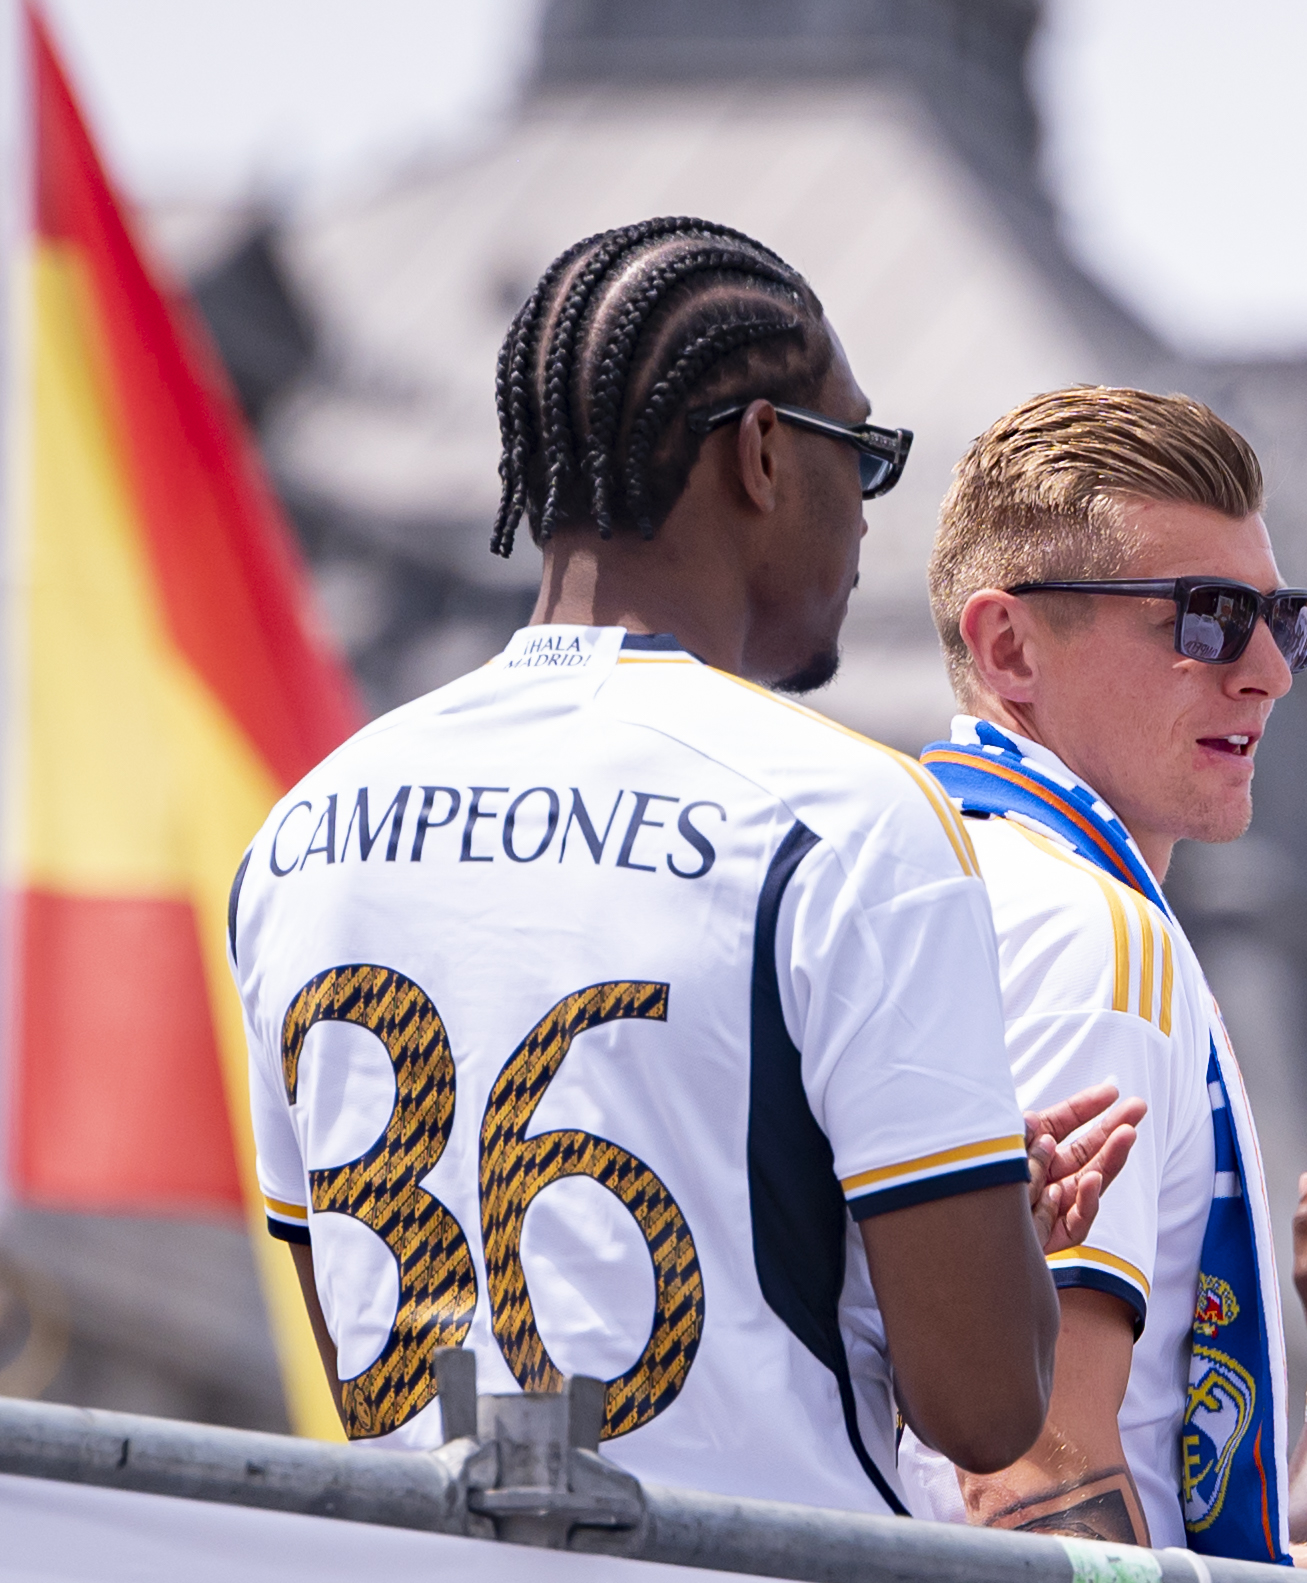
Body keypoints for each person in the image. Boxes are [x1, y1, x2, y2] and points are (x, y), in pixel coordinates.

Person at [233, 218, 1134, 1512]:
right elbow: (985, 1404)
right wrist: (983, 1251)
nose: (872, 521)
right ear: (764, 452)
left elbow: (357, 1337)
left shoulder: (303, 831)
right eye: (862, 458)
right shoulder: (854, 815)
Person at [897, 385, 1307, 1575]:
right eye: (1207, 617)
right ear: (1008, 646)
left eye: (1287, 619)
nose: (1270, 671)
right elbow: (1034, 1478)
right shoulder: (1087, 929)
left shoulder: (920, 871)